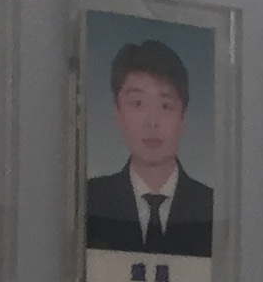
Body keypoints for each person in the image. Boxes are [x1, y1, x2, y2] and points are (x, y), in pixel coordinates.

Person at [81, 38, 215, 258]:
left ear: (183, 117)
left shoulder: (211, 206)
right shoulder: (89, 198)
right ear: (117, 113)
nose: (152, 122)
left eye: (166, 105)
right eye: (137, 104)